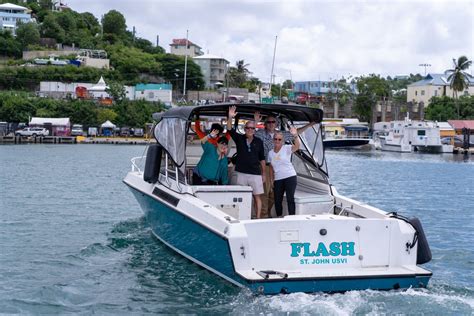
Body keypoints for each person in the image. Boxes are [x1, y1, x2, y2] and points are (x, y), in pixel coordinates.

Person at [254, 113, 316, 218]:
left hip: (278, 171)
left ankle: (270, 213)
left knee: (274, 196)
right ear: (265, 124)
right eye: (268, 122)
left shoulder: (281, 135)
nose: (271, 124)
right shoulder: (260, 133)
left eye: (273, 122)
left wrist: (309, 125)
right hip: (265, 166)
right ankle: (264, 215)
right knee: (264, 193)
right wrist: (255, 122)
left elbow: (296, 134)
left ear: (276, 123)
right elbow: (250, 133)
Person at [227, 106, 266, 219]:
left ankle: (257, 218)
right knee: (241, 196)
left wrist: (263, 174)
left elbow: (262, 159)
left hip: (255, 173)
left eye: (252, 128)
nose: (250, 130)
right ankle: (242, 217)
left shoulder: (259, 141)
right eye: (248, 128)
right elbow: (229, 129)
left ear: (255, 130)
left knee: (257, 197)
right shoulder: (239, 138)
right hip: (241, 173)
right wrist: (230, 117)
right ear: (244, 129)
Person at [268, 127, 300, 217]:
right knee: (277, 200)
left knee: (290, 199)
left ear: (282, 141)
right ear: (273, 140)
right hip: (278, 179)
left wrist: (295, 135)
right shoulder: (270, 153)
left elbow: (297, 146)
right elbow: (271, 167)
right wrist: (271, 181)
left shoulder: (287, 148)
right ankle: (279, 217)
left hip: (290, 177)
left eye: (279, 139)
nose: (277, 141)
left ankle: (292, 218)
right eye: (275, 139)